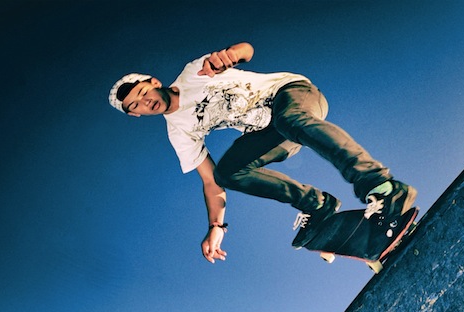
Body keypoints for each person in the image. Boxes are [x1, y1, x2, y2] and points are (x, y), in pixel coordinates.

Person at [108, 42, 416, 264]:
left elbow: (247, 50)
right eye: (135, 106)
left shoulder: (193, 73)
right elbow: (211, 183)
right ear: (135, 115)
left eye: (143, 93)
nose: (145, 103)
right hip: (274, 134)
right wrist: (216, 228)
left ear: (154, 82)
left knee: (289, 118)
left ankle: (383, 187)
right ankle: (317, 206)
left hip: (295, 96)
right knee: (227, 172)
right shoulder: (179, 132)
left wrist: (231, 55)